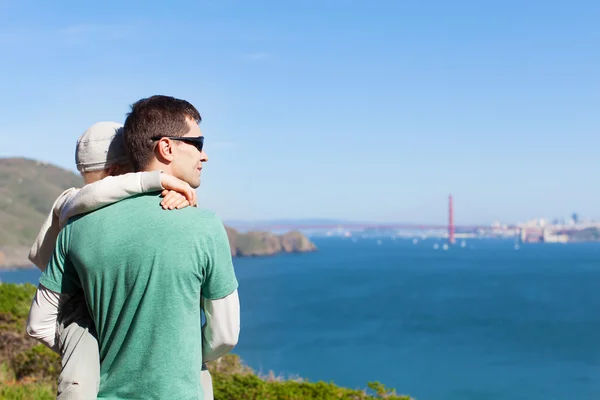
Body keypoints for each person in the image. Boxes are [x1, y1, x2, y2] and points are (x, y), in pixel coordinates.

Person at [28, 96, 240, 400]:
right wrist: (182, 359)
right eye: (198, 142)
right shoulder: (204, 225)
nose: (205, 156)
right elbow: (225, 335)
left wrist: (90, 355)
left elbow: (39, 325)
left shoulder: (73, 227)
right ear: (166, 147)